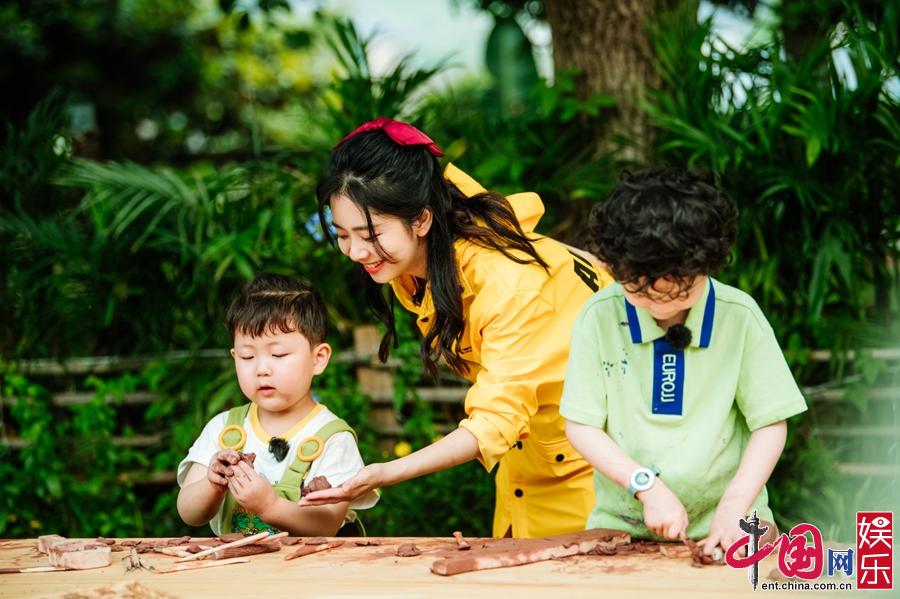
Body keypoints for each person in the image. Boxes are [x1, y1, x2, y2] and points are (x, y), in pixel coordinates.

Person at [300, 117, 613, 539]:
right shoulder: (436, 235)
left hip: (595, 470)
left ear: (421, 219)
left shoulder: (505, 285)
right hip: (528, 460)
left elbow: (495, 419)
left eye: (370, 235)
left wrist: (385, 472)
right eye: (342, 235)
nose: (356, 252)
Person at [560, 167, 807, 557]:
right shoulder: (598, 316)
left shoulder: (740, 316)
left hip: (734, 526)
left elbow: (770, 423)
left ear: (708, 265)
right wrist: (645, 486)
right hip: (622, 528)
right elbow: (582, 425)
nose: (661, 306)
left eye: (680, 293)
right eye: (641, 292)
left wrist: (734, 506)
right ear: (616, 269)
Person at [177, 273, 378, 536]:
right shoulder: (224, 429)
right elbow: (189, 513)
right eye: (247, 356)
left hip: (312, 564)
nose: (262, 369)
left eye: (278, 354)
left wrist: (269, 506)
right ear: (234, 357)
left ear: (318, 358)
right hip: (240, 563)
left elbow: (327, 524)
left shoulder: (331, 438)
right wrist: (212, 484)